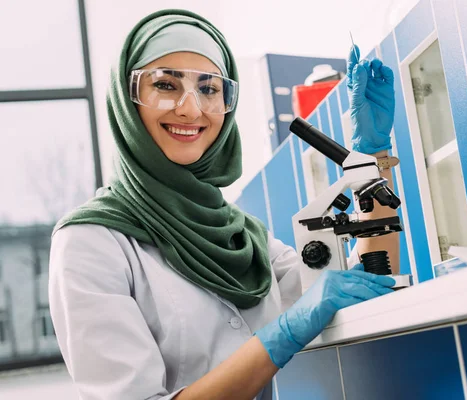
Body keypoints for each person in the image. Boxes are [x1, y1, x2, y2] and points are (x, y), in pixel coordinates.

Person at [48, 8, 398, 400]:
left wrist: (372, 157)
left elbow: (363, 281)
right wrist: (280, 336)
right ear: (128, 102)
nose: (191, 109)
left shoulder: (243, 235)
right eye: (166, 85)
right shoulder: (91, 242)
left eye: (209, 89)